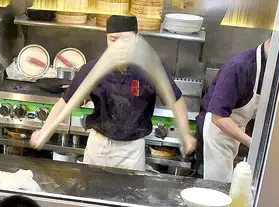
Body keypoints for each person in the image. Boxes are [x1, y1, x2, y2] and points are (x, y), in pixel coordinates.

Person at [30, 15, 196, 172]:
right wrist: (44, 130)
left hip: (132, 151)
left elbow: (175, 100)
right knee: (91, 195)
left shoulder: (150, 69)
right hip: (98, 146)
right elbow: (65, 102)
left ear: (137, 38)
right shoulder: (93, 69)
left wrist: (185, 134)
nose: (119, 45)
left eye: (126, 40)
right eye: (113, 39)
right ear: (107, 39)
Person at [196, 39, 270, 182]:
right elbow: (218, 118)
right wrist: (250, 142)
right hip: (215, 135)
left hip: (234, 133)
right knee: (215, 189)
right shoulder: (239, 66)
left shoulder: (268, 67)